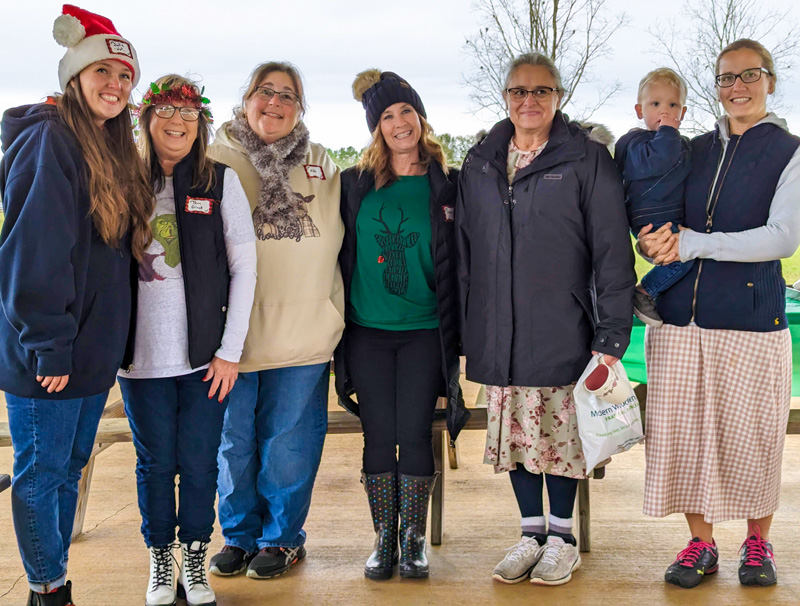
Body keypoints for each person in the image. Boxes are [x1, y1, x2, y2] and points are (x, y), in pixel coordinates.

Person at [456, 52, 635, 587]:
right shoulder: (481, 161)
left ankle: (562, 540)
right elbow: (466, 251)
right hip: (500, 330)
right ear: (505, 96)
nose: (528, 101)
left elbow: (612, 252)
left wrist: (611, 335)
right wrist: (471, 328)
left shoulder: (586, 159)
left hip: (565, 329)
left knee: (559, 441)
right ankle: (530, 534)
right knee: (517, 438)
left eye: (540, 91)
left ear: (558, 97)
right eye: (518, 91)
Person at [0, 5, 152, 605]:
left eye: (124, 77)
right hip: (53, 349)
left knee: (67, 469)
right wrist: (48, 341)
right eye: (102, 73)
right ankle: (47, 590)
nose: (114, 86)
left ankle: (54, 572)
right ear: (75, 76)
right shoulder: (50, 140)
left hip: (88, 350)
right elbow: (35, 250)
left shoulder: (107, 146)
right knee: (42, 474)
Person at [638, 39, 800, 589]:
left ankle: (757, 543)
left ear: (770, 81)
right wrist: (654, 241)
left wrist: (694, 244)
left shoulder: (790, 151)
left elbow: (782, 237)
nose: (737, 88)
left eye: (749, 76)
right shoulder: (693, 149)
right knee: (681, 437)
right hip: (679, 322)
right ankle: (701, 545)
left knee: (752, 437)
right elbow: (665, 221)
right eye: (726, 78)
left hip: (752, 321)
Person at [118, 75, 257, 606]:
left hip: (205, 360)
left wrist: (229, 352)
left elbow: (244, 269)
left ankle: (195, 558)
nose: (176, 123)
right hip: (140, 359)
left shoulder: (218, 181)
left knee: (200, 463)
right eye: (165, 112)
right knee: (154, 464)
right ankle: (161, 560)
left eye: (188, 113)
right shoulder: (122, 179)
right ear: (145, 118)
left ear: (200, 122)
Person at [206, 62, 344, 581]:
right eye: (265, 92)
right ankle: (239, 536)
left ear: (300, 108)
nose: (275, 103)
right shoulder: (214, 158)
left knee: (287, 443)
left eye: (288, 95)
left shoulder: (322, 163)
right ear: (245, 100)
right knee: (233, 442)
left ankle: (282, 539)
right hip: (232, 339)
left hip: (305, 332)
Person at [335, 70, 466, 580]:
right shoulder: (355, 186)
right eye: (386, 116)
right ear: (376, 128)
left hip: (423, 330)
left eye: (405, 112)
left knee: (413, 432)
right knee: (376, 433)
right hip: (367, 330)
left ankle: (412, 539)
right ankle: (382, 538)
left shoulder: (445, 186)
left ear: (420, 117)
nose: (398, 123)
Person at [614, 68, 692, 327]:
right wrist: (669, 132)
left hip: (669, 213)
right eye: (656, 104)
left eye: (673, 105)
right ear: (640, 111)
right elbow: (658, 161)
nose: (665, 112)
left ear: (683, 113)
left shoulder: (680, 144)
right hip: (648, 216)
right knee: (683, 256)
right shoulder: (635, 142)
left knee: (688, 251)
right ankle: (644, 291)